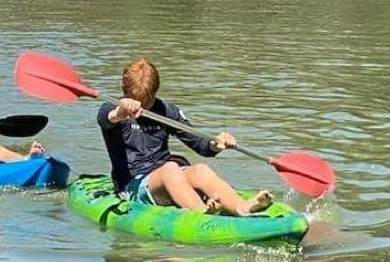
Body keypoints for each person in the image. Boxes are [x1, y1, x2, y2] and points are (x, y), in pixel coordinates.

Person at [98, 57, 272, 215]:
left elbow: (199, 143)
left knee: (200, 170)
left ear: (155, 92)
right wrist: (120, 112)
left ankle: (242, 207)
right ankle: (203, 213)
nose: (141, 107)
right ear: (123, 88)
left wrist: (215, 144)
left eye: (147, 102)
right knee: (170, 169)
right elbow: (105, 119)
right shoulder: (112, 109)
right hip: (132, 185)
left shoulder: (167, 111)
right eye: (137, 100)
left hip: (169, 176)